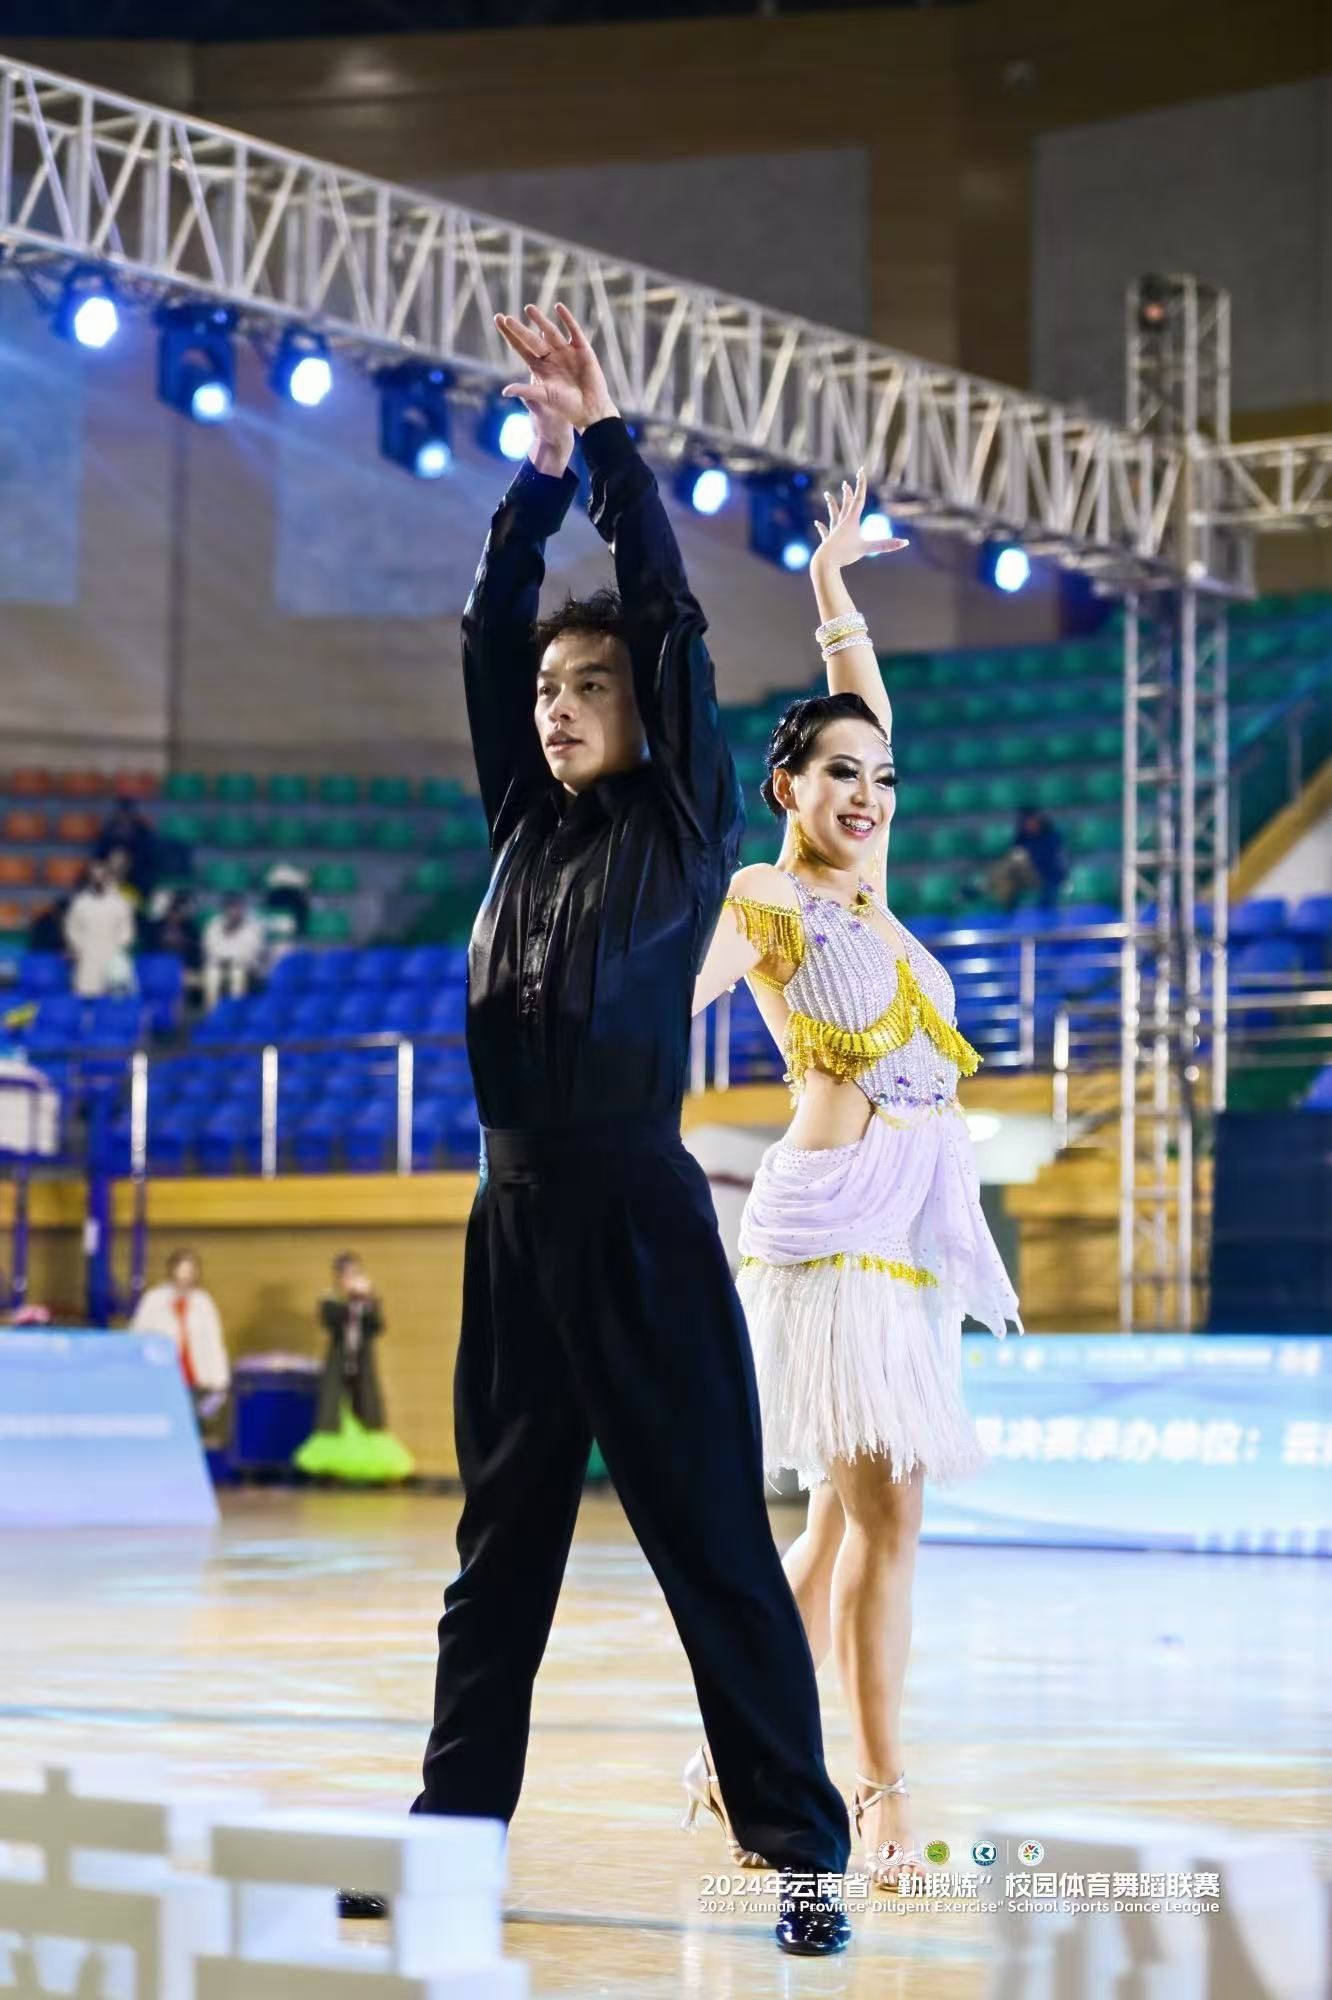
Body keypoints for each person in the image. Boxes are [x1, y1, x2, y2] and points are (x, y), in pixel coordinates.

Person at [404, 303, 851, 1958]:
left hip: (641, 1222)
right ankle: (451, 1853)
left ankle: (801, 1859)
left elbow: (664, 613)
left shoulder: (684, 819)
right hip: (513, 1222)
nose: (554, 705)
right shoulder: (521, 830)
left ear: (646, 709)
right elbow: (484, 633)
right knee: (494, 1564)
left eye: (588, 686)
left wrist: (603, 450)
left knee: (713, 1549)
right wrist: (529, 486)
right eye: (546, 689)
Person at [691, 468, 1022, 1894]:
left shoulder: (873, 896)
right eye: (839, 774)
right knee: (885, 1514)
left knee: (841, 1520)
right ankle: (880, 1806)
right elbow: (685, 984)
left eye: (881, 779)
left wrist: (833, 593)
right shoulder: (772, 898)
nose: (869, 794)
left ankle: (737, 1751)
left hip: (914, 1229)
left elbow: (865, 708)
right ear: (786, 788)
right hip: (831, 1229)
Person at [294, 1253, 414, 1484]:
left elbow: (377, 1326)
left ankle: (375, 1469)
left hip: (362, 1368)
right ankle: (331, 1470)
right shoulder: (330, 1300)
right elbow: (332, 1322)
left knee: (368, 1412)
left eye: (354, 1273)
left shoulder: (368, 1300)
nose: (349, 1278)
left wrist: (366, 1300)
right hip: (339, 1366)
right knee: (334, 1414)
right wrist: (350, 1300)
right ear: (338, 1277)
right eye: (344, 1274)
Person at [129, 1249, 230, 1421]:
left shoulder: (204, 1302)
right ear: (171, 1271)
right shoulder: (153, 1300)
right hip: (161, 1381)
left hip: (196, 1382)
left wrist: (221, 1384)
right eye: (181, 1271)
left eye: (190, 1272)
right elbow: (136, 1339)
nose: (185, 1277)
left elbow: (214, 1344)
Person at [64, 861, 135, 998]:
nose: (98, 880)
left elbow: (126, 930)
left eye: (101, 876)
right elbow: (72, 928)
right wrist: (79, 946)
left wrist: (118, 949)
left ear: (108, 878)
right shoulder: (80, 903)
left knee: (114, 997)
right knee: (86, 995)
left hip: (113, 959)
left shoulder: (120, 903)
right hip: (86, 958)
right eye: (94, 877)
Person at [986, 805, 1066, 911]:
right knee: (1005, 875)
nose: (1030, 824)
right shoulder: (1021, 838)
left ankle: (983, 889)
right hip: (1021, 876)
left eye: (1033, 821)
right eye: (1027, 821)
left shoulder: (1051, 838)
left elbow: (1056, 863)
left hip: (1042, 876)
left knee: (1016, 859)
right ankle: (1002, 905)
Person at [201, 895, 266, 1009]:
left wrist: (234, 958)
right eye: (233, 908)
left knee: (237, 973)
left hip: (246, 966)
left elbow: (254, 950)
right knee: (212, 973)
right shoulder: (215, 924)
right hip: (219, 963)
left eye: (239, 908)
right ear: (226, 909)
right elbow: (209, 946)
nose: (236, 912)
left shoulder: (253, 925)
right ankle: (212, 1010)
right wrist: (221, 957)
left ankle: (235, 1009)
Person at [94, 796, 158, 900]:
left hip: (138, 879)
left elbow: (149, 859)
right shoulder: (108, 833)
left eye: (127, 814)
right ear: (117, 815)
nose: (124, 818)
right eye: (122, 814)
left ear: (133, 815)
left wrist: (129, 863)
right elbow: (99, 859)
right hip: (112, 879)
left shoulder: (143, 833)